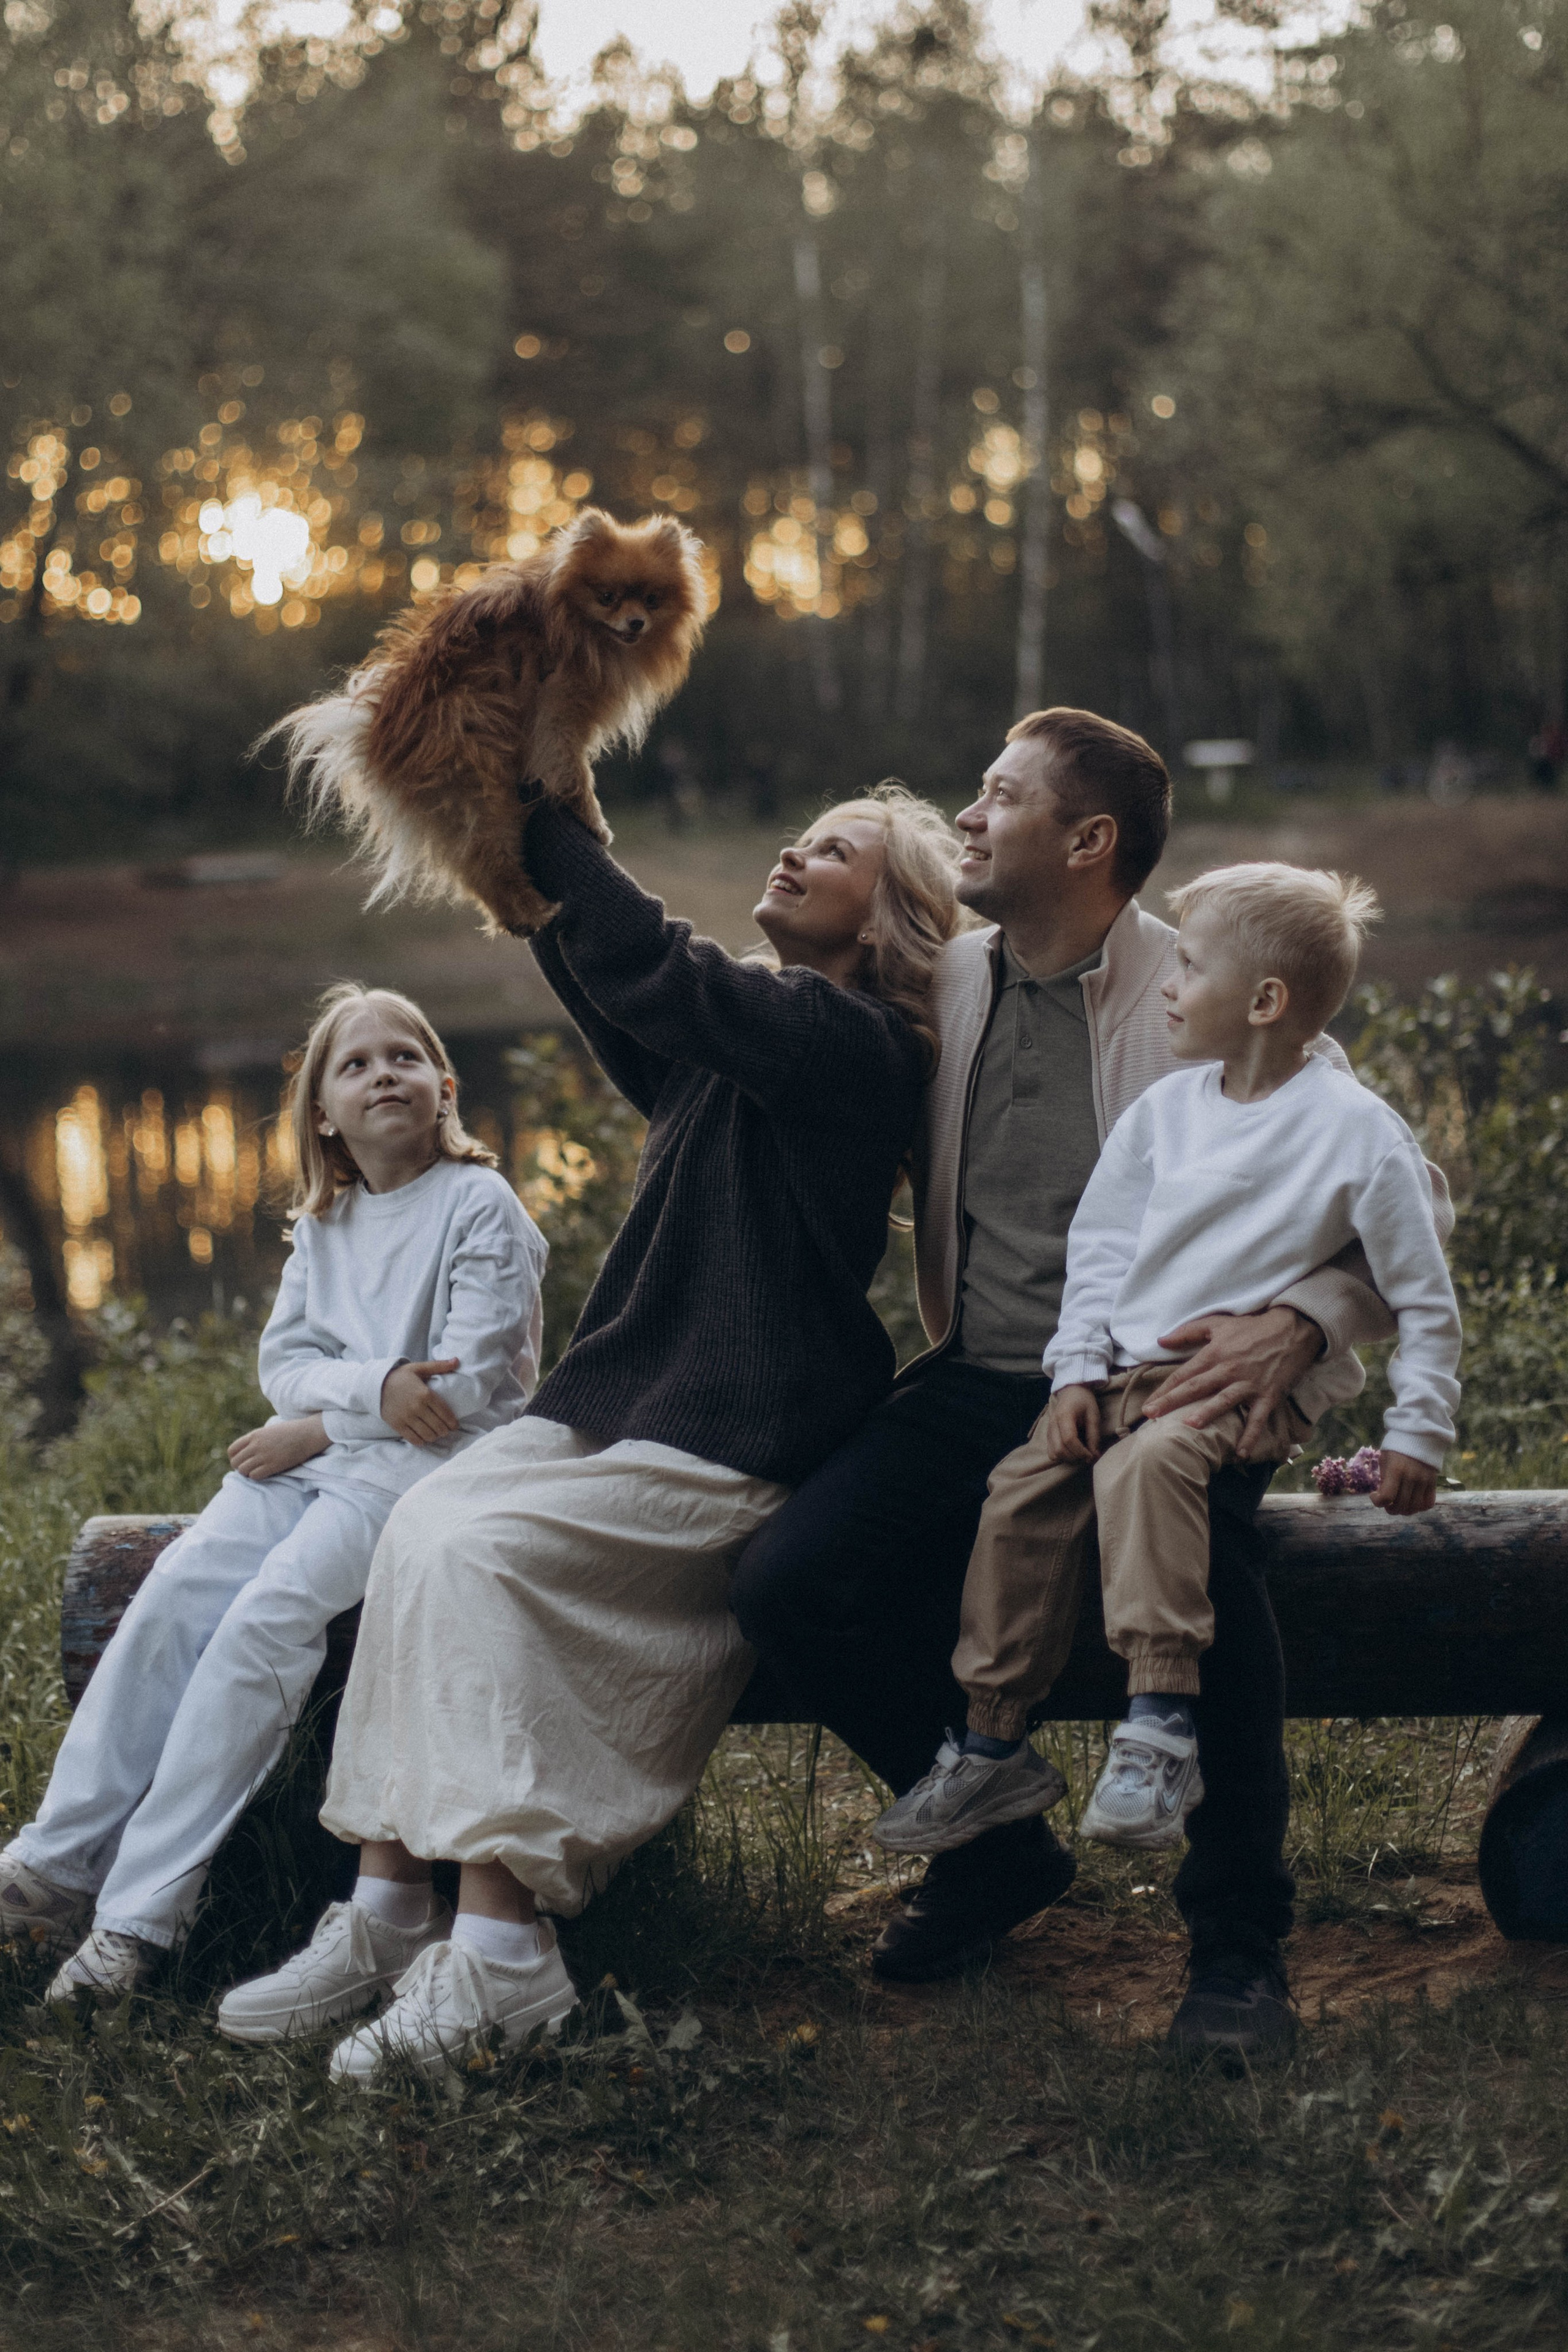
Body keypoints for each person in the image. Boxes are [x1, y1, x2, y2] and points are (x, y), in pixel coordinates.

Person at [731, 708, 1451, 2058]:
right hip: (988, 1372)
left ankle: (1237, 1950)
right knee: (786, 1581)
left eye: (996, 795)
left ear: (1087, 840)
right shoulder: (945, 980)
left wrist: (1300, 1315)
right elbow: (788, 1024)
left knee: (1213, 1592)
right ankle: (996, 1846)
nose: (967, 815)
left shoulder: (1207, 978)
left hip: (1166, 1385)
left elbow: (1401, 1190)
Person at [216, 783, 963, 2079]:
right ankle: (392, 1912)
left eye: (833, 848)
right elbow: (607, 975)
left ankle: (505, 1954)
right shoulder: (738, 1045)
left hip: (740, 1434)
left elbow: (660, 969)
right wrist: (509, 851)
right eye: (801, 830)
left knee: (483, 1557)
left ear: (888, 915)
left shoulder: (851, 1042)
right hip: (618, 1403)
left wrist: (532, 801)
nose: (793, 847)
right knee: (423, 1522)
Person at [875, 861, 1461, 1859]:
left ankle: (1160, 1724)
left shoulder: (1356, 1132)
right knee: (1023, 1491)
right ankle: (990, 1741)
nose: (1169, 989)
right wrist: (1072, 1378)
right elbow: (1100, 1254)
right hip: (1118, 1374)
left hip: (1228, 1391)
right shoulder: (1167, 1111)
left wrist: (1419, 1431)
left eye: (1187, 969)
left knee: (1148, 1468)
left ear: (1267, 1002)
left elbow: (1422, 1289)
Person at [1, 984, 546, 1999]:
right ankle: (57, 1861)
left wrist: (328, 1418)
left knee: (267, 1621)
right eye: (356, 1064)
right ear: (323, 1116)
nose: (384, 1073)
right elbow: (284, 1366)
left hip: (425, 1477)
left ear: (444, 1085)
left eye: (404, 1057)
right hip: (327, 1452)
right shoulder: (329, 1221)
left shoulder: (480, 1205)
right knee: (174, 1592)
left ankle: (139, 1918)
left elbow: (460, 1391)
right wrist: (349, 1400)